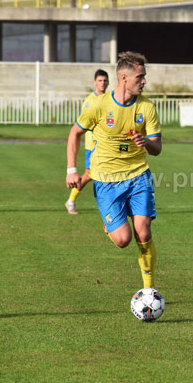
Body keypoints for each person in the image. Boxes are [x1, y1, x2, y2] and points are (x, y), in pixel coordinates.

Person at [66, 52, 162, 290]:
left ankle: (149, 290)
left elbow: (157, 148)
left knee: (143, 233)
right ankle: (110, 227)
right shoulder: (99, 105)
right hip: (106, 180)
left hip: (138, 176)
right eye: (140, 77)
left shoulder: (147, 108)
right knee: (123, 240)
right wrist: (71, 169)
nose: (144, 81)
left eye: (144, 76)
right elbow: (75, 133)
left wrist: (146, 142)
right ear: (124, 78)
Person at [65, 69, 109, 214]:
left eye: (105, 80)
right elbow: (84, 125)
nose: (103, 83)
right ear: (95, 82)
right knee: (90, 174)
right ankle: (71, 201)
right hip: (92, 144)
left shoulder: (108, 99)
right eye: (100, 80)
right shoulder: (90, 101)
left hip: (104, 144)